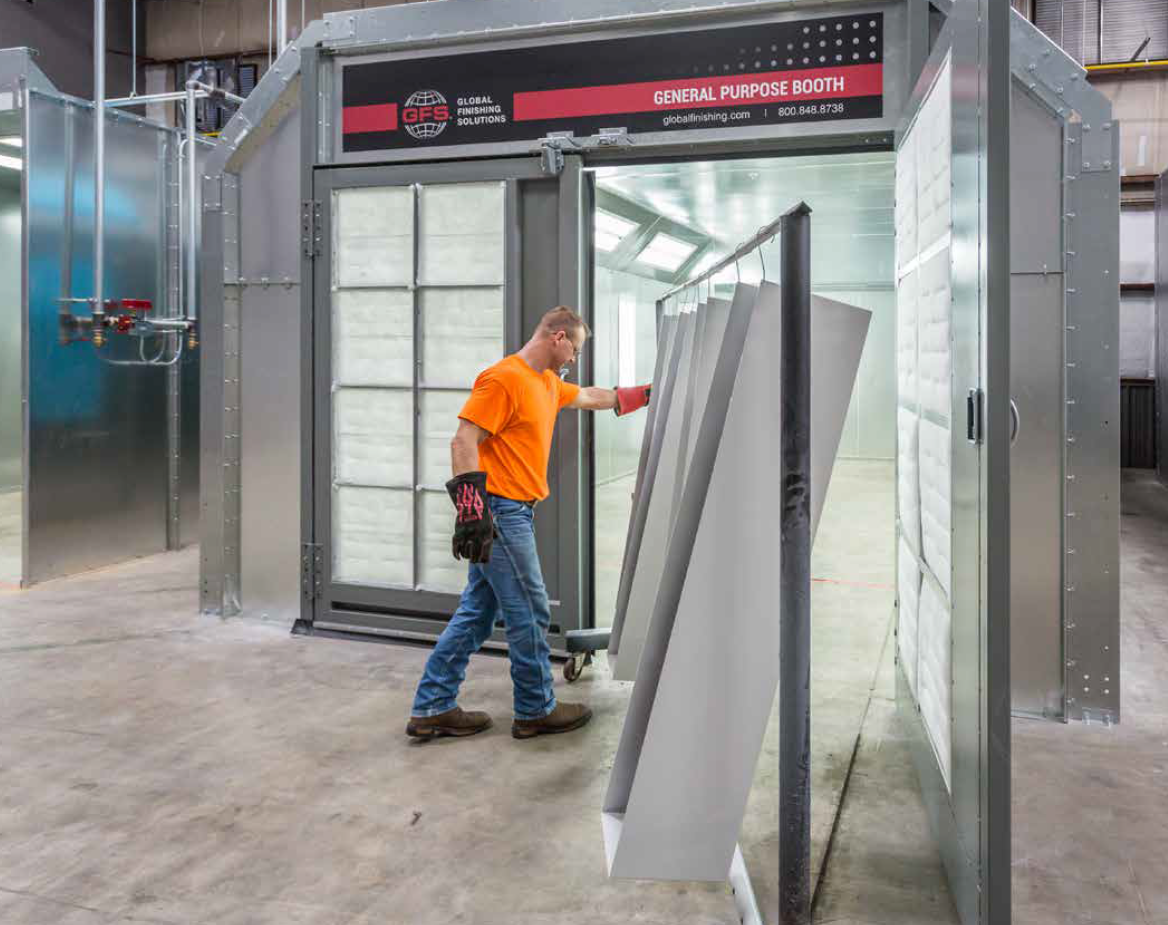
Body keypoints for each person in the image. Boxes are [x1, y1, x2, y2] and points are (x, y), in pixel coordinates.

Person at [407, 306, 651, 741]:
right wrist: (471, 510)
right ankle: (535, 709)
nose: (573, 359)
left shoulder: (546, 383)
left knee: (478, 612)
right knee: (531, 606)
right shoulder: (504, 378)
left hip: (513, 511)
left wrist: (648, 393)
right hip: (499, 512)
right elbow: (464, 438)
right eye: (573, 349)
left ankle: (433, 705)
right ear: (557, 337)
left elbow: (591, 397)